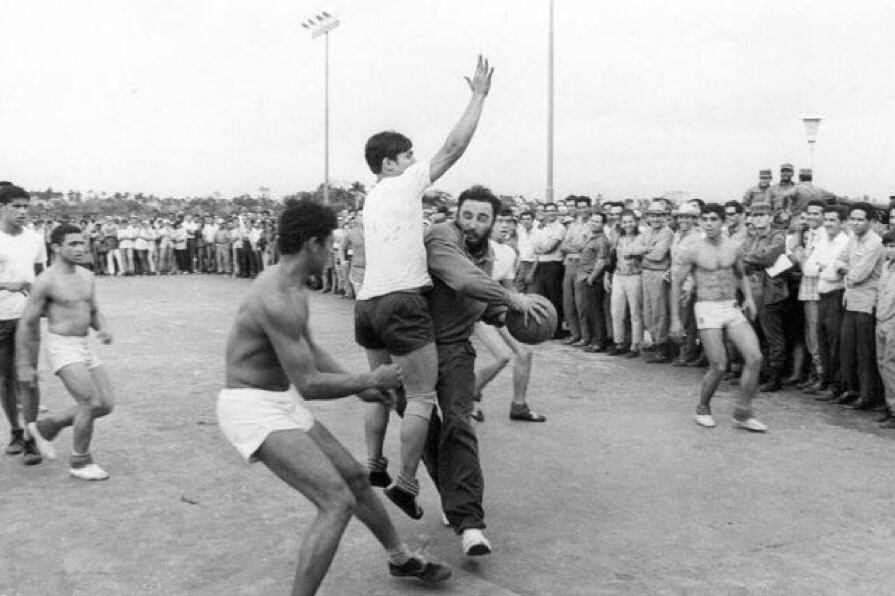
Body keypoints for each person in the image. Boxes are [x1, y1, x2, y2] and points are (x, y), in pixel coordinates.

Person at [213, 200, 450, 595]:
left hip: (277, 401)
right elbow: (308, 382)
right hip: (250, 409)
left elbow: (309, 351)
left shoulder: (292, 287)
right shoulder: (276, 298)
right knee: (336, 501)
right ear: (313, 244)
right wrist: (367, 378)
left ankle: (399, 557)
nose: (336, 251)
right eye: (330, 243)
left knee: (356, 477)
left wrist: (363, 386)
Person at [358, 56, 494, 520]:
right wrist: (477, 96)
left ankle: (373, 463)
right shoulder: (402, 183)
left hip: (366, 304)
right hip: (401, 300)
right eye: (408, 155)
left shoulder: (370, 199)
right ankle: (406, 482)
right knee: (421, 397)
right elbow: (453, 148)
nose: (415, 161)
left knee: (380, 389)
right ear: (389, 163)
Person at [411, 186, 546, 556]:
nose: (473, 224)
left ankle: (469, 523)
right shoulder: (442, 236)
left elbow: (483, 307)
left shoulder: (488, 254)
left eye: (482, 217)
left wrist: (519, 318)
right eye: (467, 214)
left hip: (454, 348)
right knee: (423, 427)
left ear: (493, 221)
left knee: (459, 424)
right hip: (412, 347)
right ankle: (454, 501)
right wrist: (511, 297)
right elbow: (464, 281)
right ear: (457, 213)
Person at [17, 224, 115, 479]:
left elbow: (93, 311)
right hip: (62, 346)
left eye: (82, 242)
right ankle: (80, 461)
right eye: (73, 244)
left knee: (105, 405)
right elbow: (27, 323)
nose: (81, 248)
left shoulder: (87, 276)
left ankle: (45, 426)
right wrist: (25, 365)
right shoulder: (46, 281)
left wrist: (103, 328)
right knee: (90, 402)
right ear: (56, 247)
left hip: (84, 345)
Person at [670, 203, 767, 432]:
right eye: (705, 219)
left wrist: (749, 299)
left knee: (755, 358)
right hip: (707, 307)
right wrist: (675, 319)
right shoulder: (693, 249)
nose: (709, 223)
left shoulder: (733, 246)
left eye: (714, 219)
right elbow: (676, 283)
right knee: (719, 365)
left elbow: (740, 274)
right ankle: (703, 408)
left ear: (722, 221)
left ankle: (743, 413)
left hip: (730, 306)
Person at [471, 207, 546, 423]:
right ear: (490, 223)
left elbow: (509, 286)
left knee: (524, 352)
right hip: (476, 308)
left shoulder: (510, 251)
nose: (505, 226)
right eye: (500, 221)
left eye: (509, 221)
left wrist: (525, 303)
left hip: (497, 306)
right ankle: (471, 392)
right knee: (502, 356)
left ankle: (519, 406)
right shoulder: (479, 248)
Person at [0, 185, 46, 464]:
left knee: (28, 377)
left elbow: (42, 275)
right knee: (6, 380)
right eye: (16, 206)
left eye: (25, 207)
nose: (22, 212)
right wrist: (6, 284)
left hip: (27, 319)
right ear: (2, 207)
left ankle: (32, 437)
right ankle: (16, 432)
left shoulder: (35, 239)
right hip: (0, 318)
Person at [833, 203, 885, 409]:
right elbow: (838, 260)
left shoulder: (875, 243)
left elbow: (857, 275)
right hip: (851, 300)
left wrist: (845, 270)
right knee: (848, 349)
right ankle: (851, 389)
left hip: (867, 303)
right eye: (852, 219)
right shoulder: (853, 239)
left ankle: (867, 394)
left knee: (865, 352)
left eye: (860, 219)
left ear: (870, 221)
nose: (855, 223)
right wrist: (846, 269)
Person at [803, 204, 851, 397]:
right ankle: (826, 381)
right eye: (827, 220)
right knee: (822, 341)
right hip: (822, 295)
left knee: (835, 343)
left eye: (833, 220)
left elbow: (834, 275)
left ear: (842, 223)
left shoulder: (845, 242)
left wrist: (822, 269)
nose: (828, 223)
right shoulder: (823, 241)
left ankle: (836, 386)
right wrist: (824, 268)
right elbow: (808, 269)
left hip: (836, 297)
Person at [640, 200, 674, 363]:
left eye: (659, 215)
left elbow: (658, 255)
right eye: (653, 215)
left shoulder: (667, 232)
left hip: (659, 273)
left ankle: (662, 346)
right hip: (646, 272)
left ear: (665, 216)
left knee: (659, 311)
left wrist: (642, 252)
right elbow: (631, 249)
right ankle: (655, 341)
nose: (656, 218)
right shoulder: (647, 231)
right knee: (648, 311)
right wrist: (645, 250)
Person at [608, 210, 645, 357]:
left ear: (635, 222)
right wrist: (608, 275)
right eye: (624, 222)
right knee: (616, 311)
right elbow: (612, 258)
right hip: (618, 276)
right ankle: (619, 342)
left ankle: (635, 345)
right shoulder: (618, 238)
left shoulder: (641, 237)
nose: (628, 224)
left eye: (630, 221)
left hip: (634, 276)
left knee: (635, 312)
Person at [558, 197, 592, 346]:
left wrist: (576, 246)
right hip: (569, 264)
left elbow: (587, 248)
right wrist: (576, 247)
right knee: (568, 302)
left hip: (582, 265)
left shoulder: (593, 224)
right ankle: (574, 334)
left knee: (581, 303)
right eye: (580, 207)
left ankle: (585, 337)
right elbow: (564, 246)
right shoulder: (573, 224)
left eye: (585, 207)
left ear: (590, 208)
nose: (582, 210)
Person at [530, 202, 566, 337]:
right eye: (547, 211)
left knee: (555, 298)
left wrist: (542, 247)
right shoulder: (541, 227)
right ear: (544, 213)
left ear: (556, 212)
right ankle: (547, 329)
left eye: (552, 210)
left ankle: (557, 330)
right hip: (542, 264)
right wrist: (541, 248)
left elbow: (549, 247)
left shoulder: (560, 228)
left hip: (554, 265)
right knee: (544, 298)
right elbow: (534, 246)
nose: (550, 213)